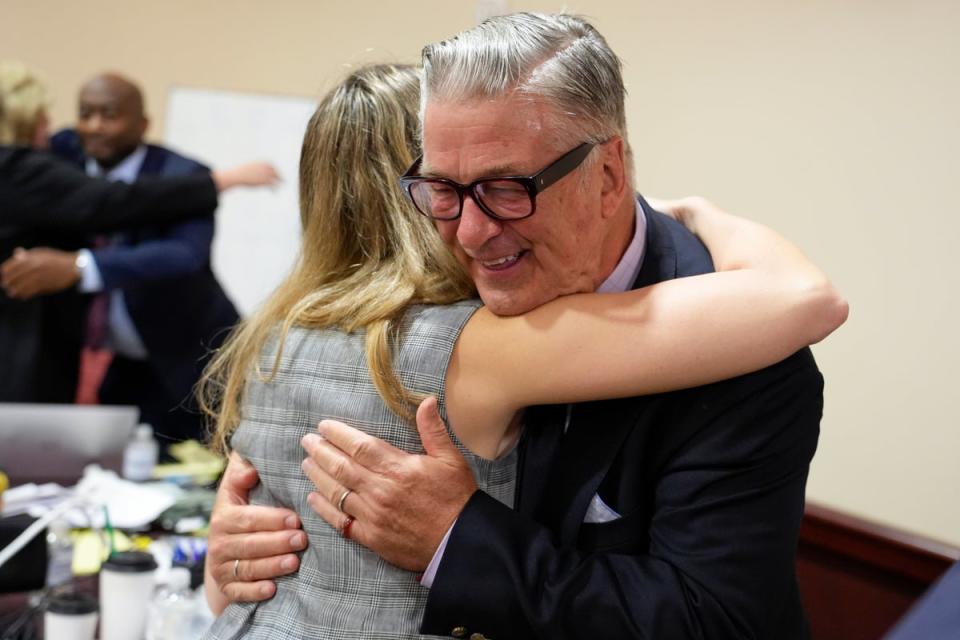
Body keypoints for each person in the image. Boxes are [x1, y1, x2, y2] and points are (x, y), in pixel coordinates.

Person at [200, 59, 846, 639]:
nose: (475, 225)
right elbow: (801, 297)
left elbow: (232, 585)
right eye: (448, 191)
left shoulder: (273, 337)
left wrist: (222, 558)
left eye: (501, 186)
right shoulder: (477, 344)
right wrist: (704, 212)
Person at [0, 61, 277, 404]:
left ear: (143, 124)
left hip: (188, 358)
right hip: (110, 364)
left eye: (110, 115)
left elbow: (183, 256)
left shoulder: (184, 176)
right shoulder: (60, 154)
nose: (95, 126)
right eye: (85, 114)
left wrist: (80, 267)